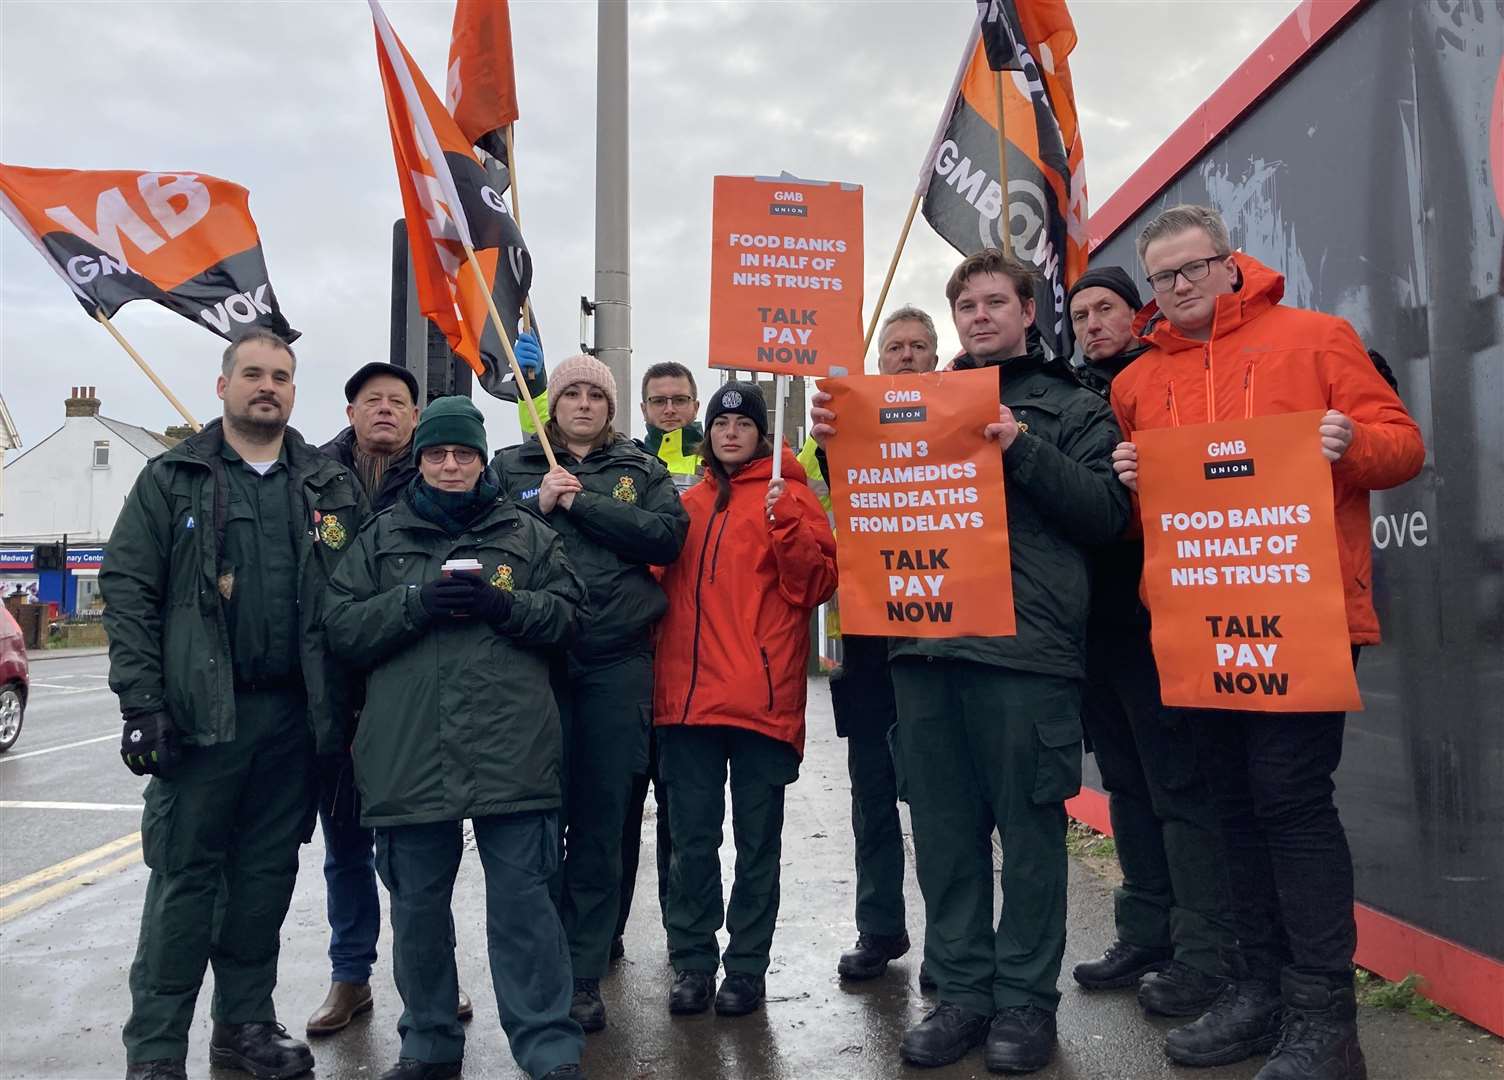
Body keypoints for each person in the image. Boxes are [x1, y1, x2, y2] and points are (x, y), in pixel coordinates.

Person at [1109, 205, 1423, 1080]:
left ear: (1229, 263)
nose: (1178, 288)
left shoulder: (1317, 339)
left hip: (1304, 617)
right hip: (1200, 625)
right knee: (1231, 805)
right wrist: (1130, 480)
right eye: (1163, 277)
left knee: (1289, 799)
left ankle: (1327, 1021)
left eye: (1193, 268)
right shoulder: (1135, 385)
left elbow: (1404, 448)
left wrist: (1351, 441)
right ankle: (1259, 993)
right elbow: (1158, 521)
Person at [811, 249, 1130, 1073]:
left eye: (996, 301)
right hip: (924, 647)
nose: (980, 316)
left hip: (1026, 655)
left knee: (1028, 835)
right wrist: (841, 441)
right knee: (946, 835)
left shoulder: (1076, 404)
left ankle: (1025, 1002)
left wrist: (1022, 446)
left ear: (1029, 310)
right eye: (967, 305)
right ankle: (960, 993)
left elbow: (1105, 513)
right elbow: (874, 512)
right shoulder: (917, 403)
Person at [103, 329, 367, 1080]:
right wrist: (143, 703)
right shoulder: (172, 477)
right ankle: (155, 1048)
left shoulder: (326, 484)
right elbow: (127, 590)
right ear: (223, 386)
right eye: (253, 373)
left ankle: (244, 1026)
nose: (268, 387)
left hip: (295, 721)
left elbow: (352, 596)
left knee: (263, 881)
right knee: (185, 883)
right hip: (200, 719)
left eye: (281, 376)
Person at [324, 396, 589, 1080]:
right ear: (421, 460)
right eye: (437, 454)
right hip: (410, 753)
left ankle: (549, 1047)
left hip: (513, 749)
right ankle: (429, 1043)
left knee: (526, 908)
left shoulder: (527, 536)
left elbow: (569, 619)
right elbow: (341, 629)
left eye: (463, 454)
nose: (449, 465)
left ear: (481, 460)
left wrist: (508, 606)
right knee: (415, 911)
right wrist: (412, 605)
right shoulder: (380, 540)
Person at [493, 355, 689, 1033]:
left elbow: (667, 534)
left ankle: (583, 973)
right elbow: (479, 530)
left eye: (593, 394)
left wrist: (583, 502)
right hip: (535, 667)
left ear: (610, 407)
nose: (581, 403)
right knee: (538, 824)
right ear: (553, 404)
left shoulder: (639, 470)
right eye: (569, 392)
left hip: (614, 666)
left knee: (603, 826)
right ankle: (547, 963)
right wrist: (535, 502)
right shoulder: (511, 468)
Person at [1065, 268, 1240, 1019]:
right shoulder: (1068, 395)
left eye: (1104, 308)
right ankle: (1146, 931)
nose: (1092, 323)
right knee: (1127, 786)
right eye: (1079, 314)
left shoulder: (1164, 378)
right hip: (1092, 621)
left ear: (1133, 314)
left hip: (1161, 615)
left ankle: (1205, 950)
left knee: (1178, 784)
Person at [653, 382, 838, 1018]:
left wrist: (787, 521)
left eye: (744, 422)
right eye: (721, 421)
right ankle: (694, 963)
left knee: (759, 844)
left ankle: (747, 968)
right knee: (692, 844)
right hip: (687, 705)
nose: (731, 431)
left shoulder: (792, 496)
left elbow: (813, 585)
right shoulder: (684, 502)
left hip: (760, 703)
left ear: (762, 433)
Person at [309, 362, 476, 1035]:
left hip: (410, 695)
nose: (385, 410)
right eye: (371, 400)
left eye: (398, 402)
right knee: (344, 846)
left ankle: (435, 979)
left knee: (414, 854)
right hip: (333, 690)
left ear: (414, 418)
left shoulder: (442, 483)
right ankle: (351, 976)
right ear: (350, 412)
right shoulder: (310, 482)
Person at [825, 306, 941, 985]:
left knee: (937, 801)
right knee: (871, 795)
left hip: (939, 639)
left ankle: (950, 939)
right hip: (866, 643)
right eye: (894, 347)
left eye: (917, 346)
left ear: (935, 356)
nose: (904, 356)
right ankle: (880, 928)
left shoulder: (963, 420)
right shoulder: (850, 425)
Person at [611, 360, 705, 961]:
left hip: (687, 660)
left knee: (680, 813)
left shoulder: (720, 458)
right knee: (616, 810)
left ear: (695, 404)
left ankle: (682, 934)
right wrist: (533, 394)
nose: (669, 409)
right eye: (659, 400)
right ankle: (607, 930)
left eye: (679, 399)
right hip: (625, 657)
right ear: (642, 409)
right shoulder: (623, 464)